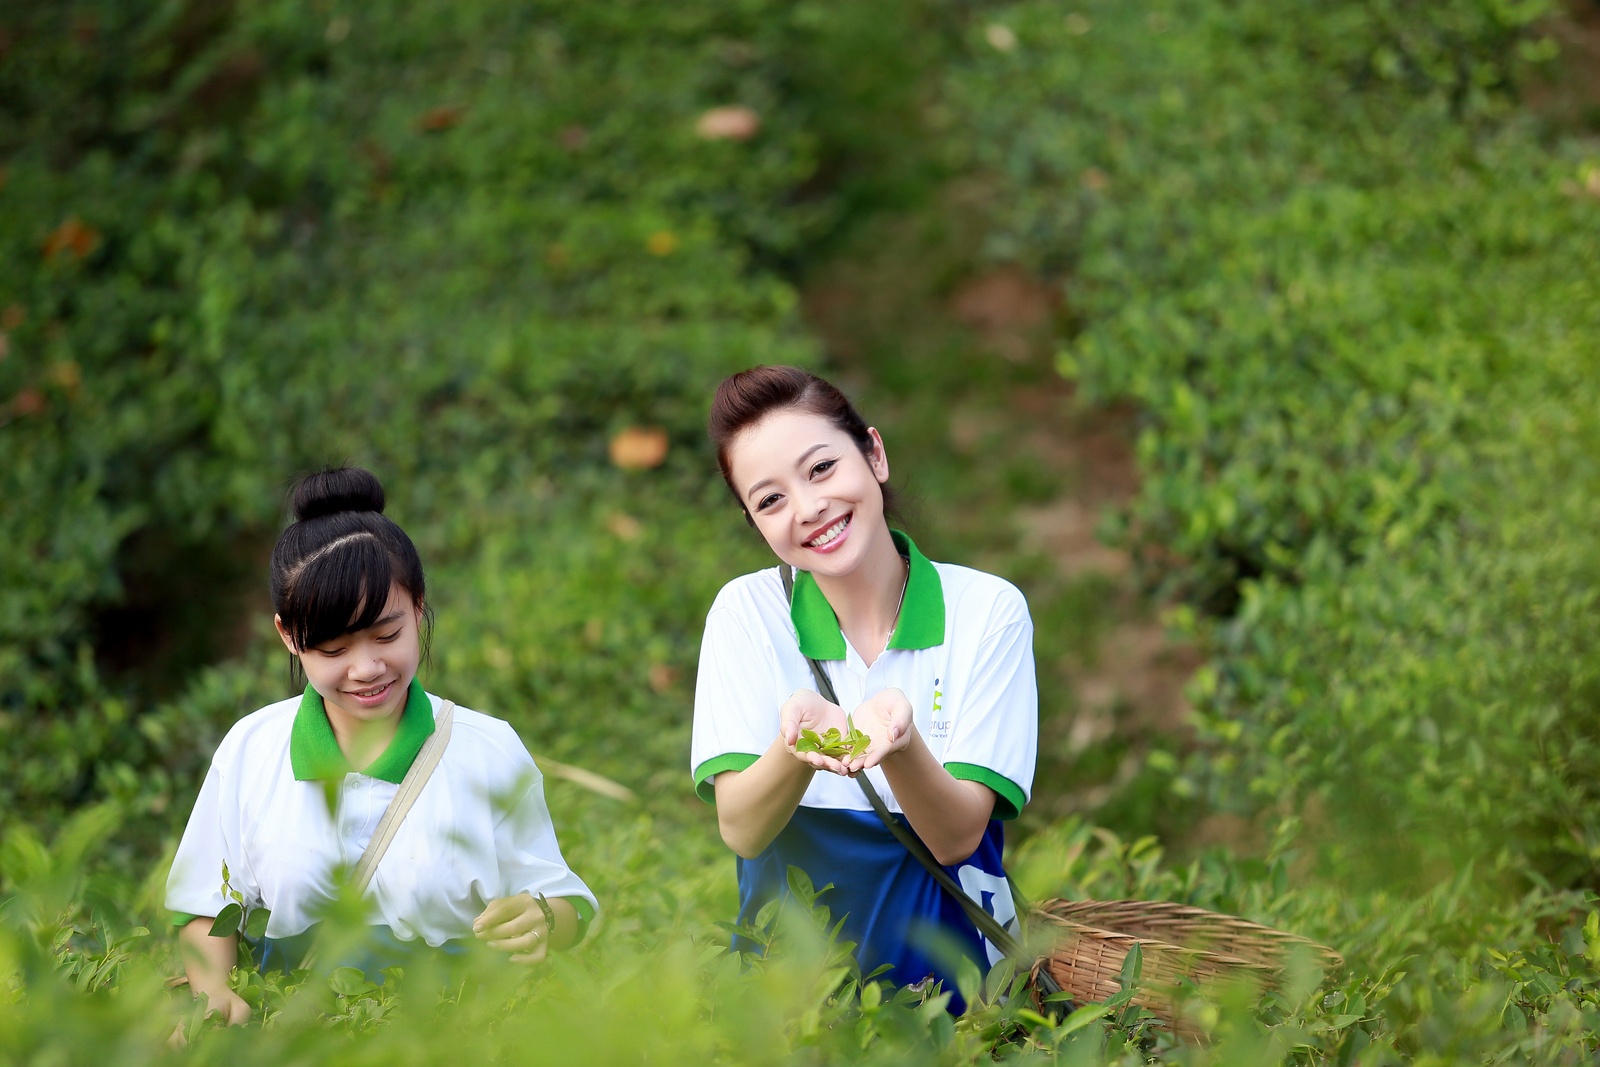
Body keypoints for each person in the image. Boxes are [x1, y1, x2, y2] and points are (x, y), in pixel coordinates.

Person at [167, 467, 597, 1025]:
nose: (367, 668)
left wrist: (542, 919)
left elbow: (564, 900)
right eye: (333, 650)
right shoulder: (252, 749)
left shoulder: (487, 749)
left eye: (387, 635)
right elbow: (204, 904)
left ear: (418, 607)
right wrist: (214, 993)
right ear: (289, 637)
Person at [690, 366, 1038, 1007]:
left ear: (873, 454)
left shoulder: (988, 610)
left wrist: (901, 745)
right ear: (754, 522)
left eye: (821, 468)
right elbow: (741, 829)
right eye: (770, 500)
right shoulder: (746, 615)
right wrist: (797, 745)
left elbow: (958, 838)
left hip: (963, 1005)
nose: (808, 508)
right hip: (794, 1011)